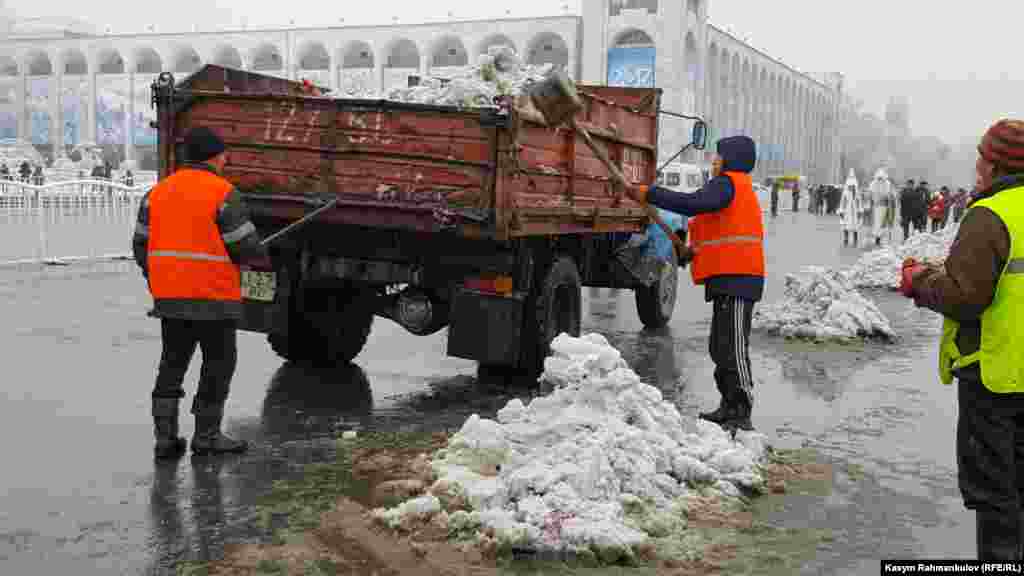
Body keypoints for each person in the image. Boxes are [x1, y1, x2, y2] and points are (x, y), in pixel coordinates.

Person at [900, 118, 1024, 560]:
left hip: (994, 377)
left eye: (981, 157)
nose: (977, 166)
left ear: (995, 163)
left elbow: (965, 297)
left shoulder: (991, 214)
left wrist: (919, 280)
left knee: (996, 499)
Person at [132, 126, 269, 460]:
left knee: (172, 363)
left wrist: (159, 279)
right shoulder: (223, 194)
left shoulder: (156, 193)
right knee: (218, 363)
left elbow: (140, 245)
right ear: (215, 157)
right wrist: (258, 256)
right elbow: (244, 247)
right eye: (224, 155)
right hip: (214, 299)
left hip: (170, 299)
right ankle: (207, 436)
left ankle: (165, 439)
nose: (226, 160)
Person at [626, 135, 764, 431]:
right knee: (720, 346)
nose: (714, 161)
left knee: (733, 346)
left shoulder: (729, 183)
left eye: (718, 156)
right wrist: (691, 251)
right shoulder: (728, 186)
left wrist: (651, 193)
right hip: (728, 277)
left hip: (739, 278)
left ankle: (741, 409)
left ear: (731, 160)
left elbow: (692, 204)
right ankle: (728, 405)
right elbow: (716, 227)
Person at [868, 168, 894, 245]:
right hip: (876, 207)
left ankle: (881, 238)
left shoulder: (887, 184)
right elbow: (870, 195)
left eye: (881, 178)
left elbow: (889, 195)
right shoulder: (873, 184)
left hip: (884, 207)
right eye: (879, 178)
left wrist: (888, 202)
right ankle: (877, 237)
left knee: (883, 223)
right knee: (876, 223)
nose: (880, 180)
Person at [839, 169, 862, 246]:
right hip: (847, 211)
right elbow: (842, 202)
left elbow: (859, 202)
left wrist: (859, 210)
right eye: (850, 186)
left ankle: (855, 239)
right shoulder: (845, 193)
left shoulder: (857, 193)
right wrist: (841, 210)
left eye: (853, 186)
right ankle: (846, 238)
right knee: (846, 225)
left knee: (855, 226)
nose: (851, 187)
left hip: (854, 211)